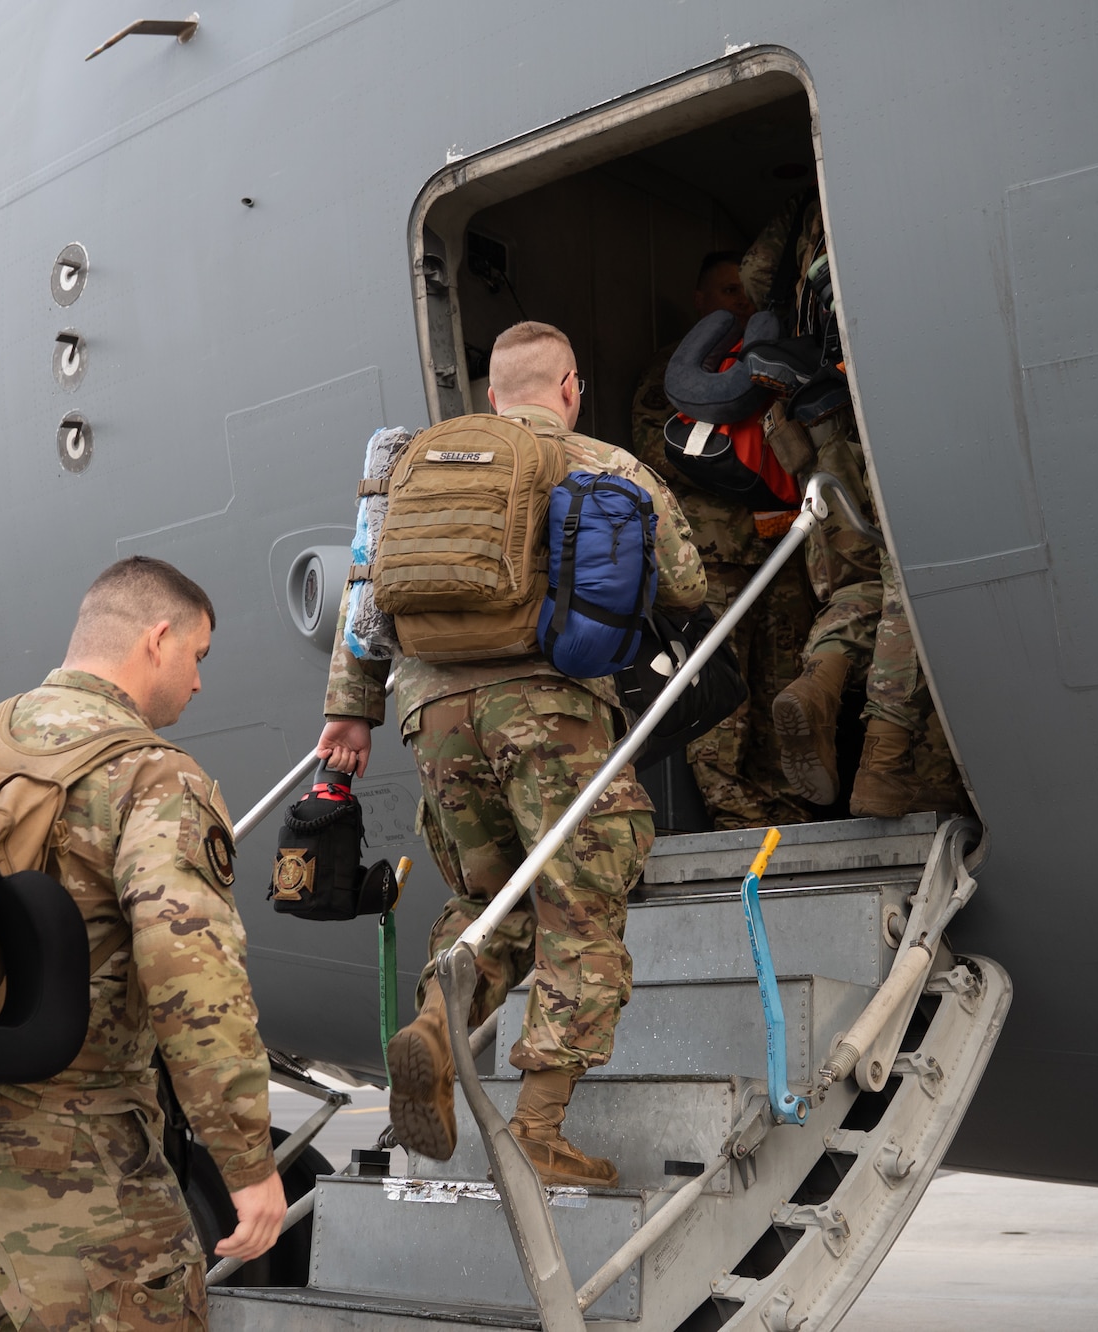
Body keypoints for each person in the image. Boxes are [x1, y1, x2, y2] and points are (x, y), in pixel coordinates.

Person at [317, 322, 706, 1188]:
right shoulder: (602, 461)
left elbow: (363, 583)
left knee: (487, 901)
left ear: (492, 395)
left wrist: (351, 709)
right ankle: (539, 1133)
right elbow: (684, 582)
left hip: (432, 711)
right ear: (569, 387)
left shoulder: (415, 466)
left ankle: (432, 1032)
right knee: (580, 909)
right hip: (550, 712)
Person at [0, 556, 283, 1332]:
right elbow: (192, 980)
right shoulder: (151, 775)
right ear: (157, 640)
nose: (198, 684)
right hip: (68, 1162)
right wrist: (247, 1161)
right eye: (198, 657)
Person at [741, 197, 966, 816]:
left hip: (813, 422)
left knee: (859, 582)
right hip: (887, 410)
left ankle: (820, 681)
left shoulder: (803, 221)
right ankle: (884, 764)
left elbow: (756, 274)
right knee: (908, 574)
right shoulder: (887, 205)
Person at [629, 251, 819, 829]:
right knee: (722, 680)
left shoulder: (770, 364)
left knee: (781, 679)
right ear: (701, 302)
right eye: (727, 291)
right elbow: (656, 447)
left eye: (745, 292)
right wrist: (747, 469)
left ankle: (782, 803)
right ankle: (733, 811)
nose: (740, 301)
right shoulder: (677, 372)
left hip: (781, 551)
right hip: (714, 557)